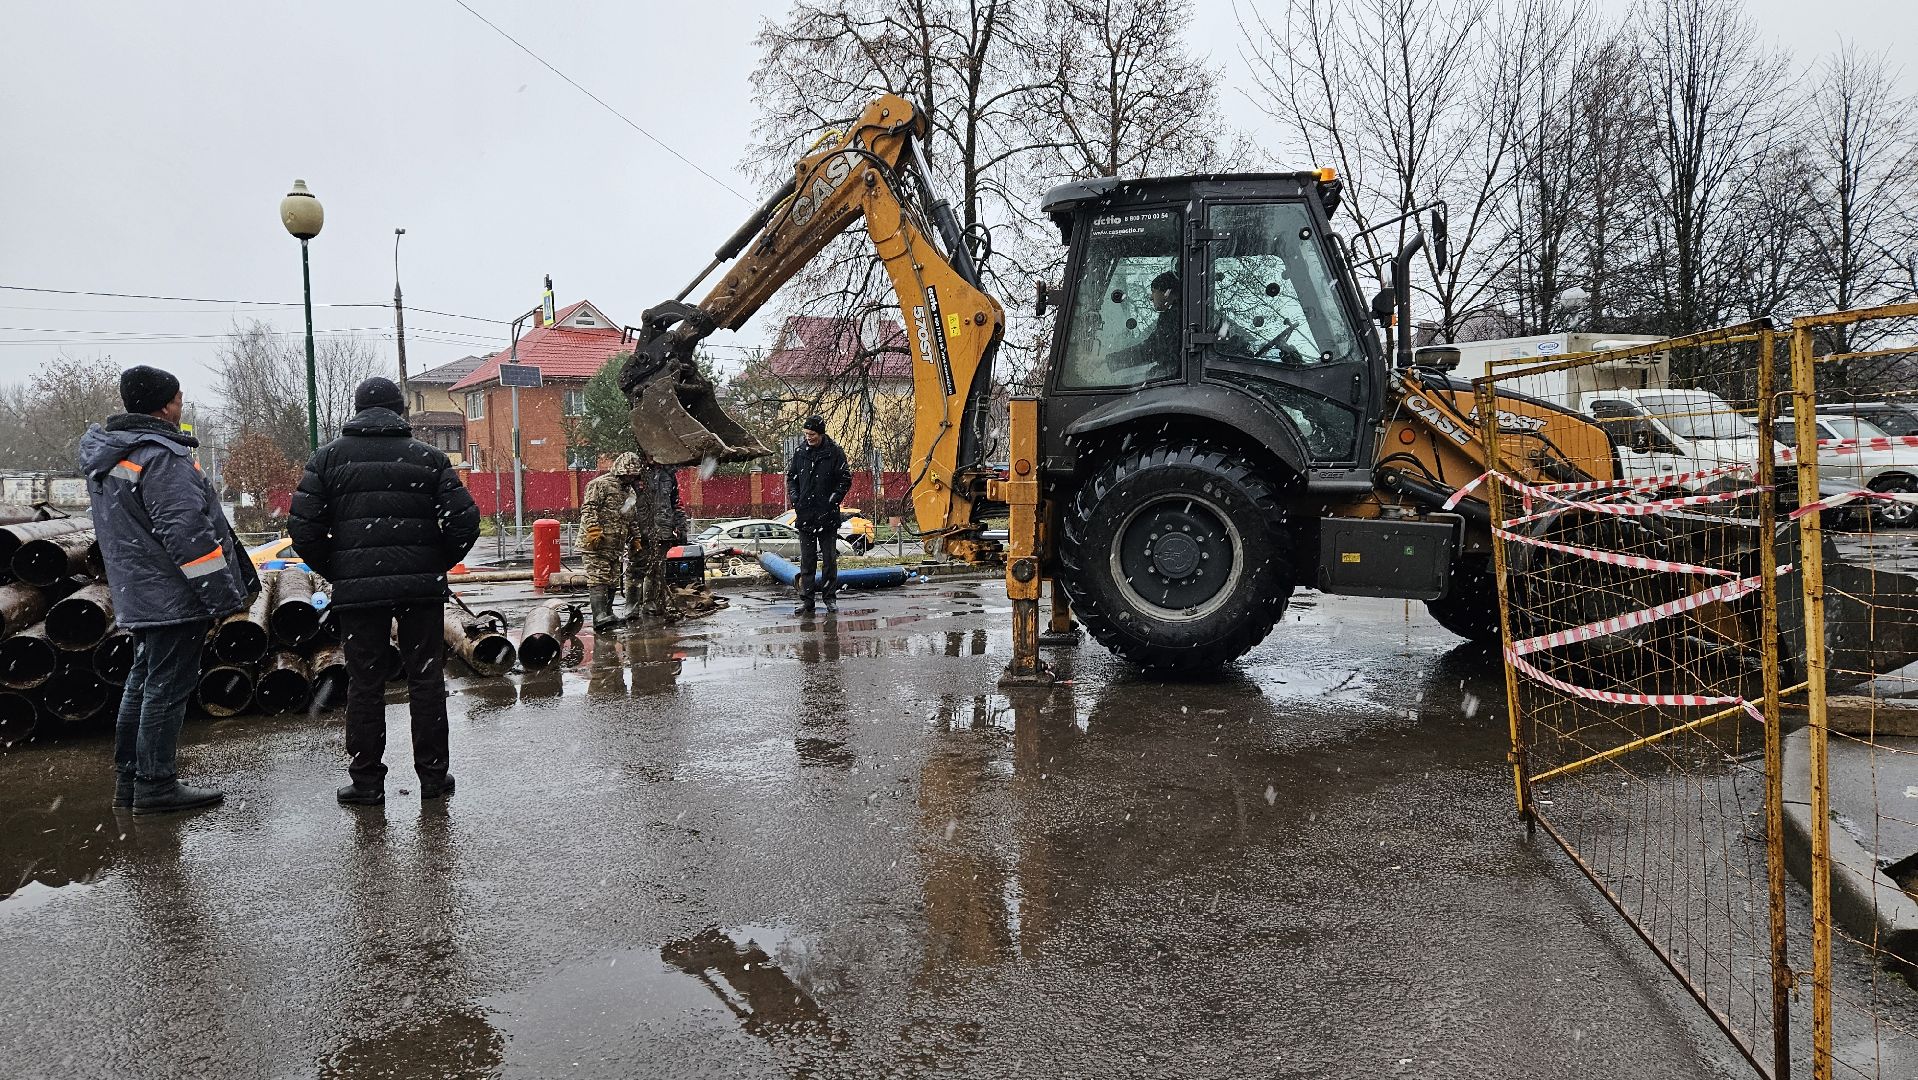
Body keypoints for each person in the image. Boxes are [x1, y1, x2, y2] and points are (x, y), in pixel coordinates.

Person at [288, 377, 480, 806]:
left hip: (359, 593)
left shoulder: (327, 460)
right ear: (400, 411)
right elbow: (465, 521)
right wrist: (433, 564)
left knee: (365, 684)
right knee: (426, 680)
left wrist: (340, 569)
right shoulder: (429, 459)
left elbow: (303, 528)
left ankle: (366, 783)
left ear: (357, 410)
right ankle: (433, 777)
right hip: (420, 591)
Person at [80, 365, 257, 815]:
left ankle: (131, 781)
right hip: (173, 596)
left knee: (142, 684)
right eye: (179, 397)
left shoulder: (113, 456)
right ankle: (156, 785)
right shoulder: (162, 456)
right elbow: (189, 537)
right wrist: (221, 598)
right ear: (165, 405)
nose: (182, 404)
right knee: (164, 690)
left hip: (138, 590)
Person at [785, 415, 852, 616]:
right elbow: (791, 478)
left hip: (827, 516)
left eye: (812, 434)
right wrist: (796, 499)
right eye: (806, 434)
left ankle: (830, 598)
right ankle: (807, 601)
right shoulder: (800, 452)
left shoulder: (834, 452)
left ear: (821, 433)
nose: (808, 438)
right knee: (807, 561)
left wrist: (833, 499)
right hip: (805, 514)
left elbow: (845, 479)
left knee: (830, 560)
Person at [578, 452, 645, 633]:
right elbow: (588, 508)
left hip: (616, 545)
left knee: (612, 579)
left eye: (634, 474)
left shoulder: (629, 492)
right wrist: (593, 530)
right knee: (598, 577)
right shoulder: (599, 484)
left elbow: (631, 518)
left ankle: (607, 614)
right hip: (596, 544)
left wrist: (635, 538)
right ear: (620, 470)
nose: (631, 477)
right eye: (628, 473)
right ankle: (599, 616)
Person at [627, 453, 687, 619]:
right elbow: (626, 503)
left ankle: (651, 603)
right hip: (640, 531)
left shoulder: (668, 475)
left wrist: (681, 527)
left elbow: (676, 503)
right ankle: (632, 606)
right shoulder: (634, 473)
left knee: (657, 569)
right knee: (636, 569)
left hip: (662, 531)